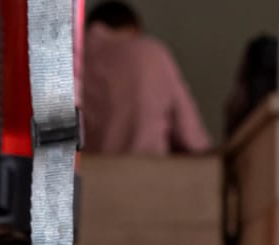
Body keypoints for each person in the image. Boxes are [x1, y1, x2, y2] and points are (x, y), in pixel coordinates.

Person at [81, 3, 211, 155]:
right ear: (134, 28)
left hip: (84, 166)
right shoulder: (152, 52)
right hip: (146, 164)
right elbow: (191, 136)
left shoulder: (72, 58)